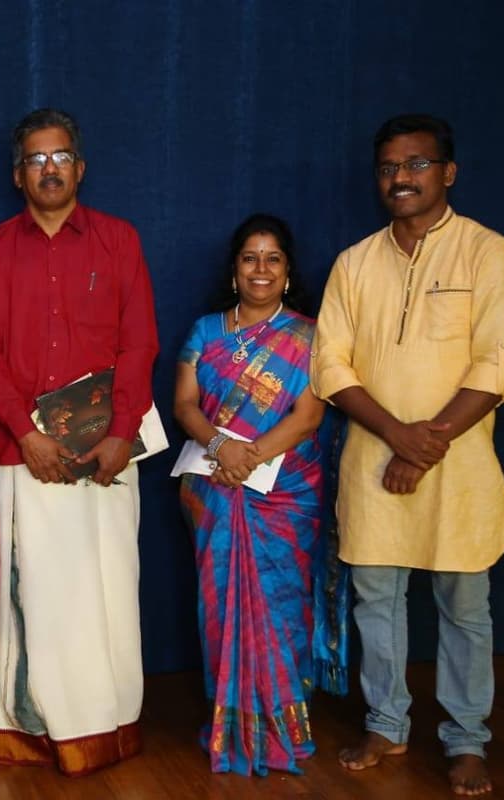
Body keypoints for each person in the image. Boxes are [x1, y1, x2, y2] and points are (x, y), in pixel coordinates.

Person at [311, 114, 504, 796]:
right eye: (388, 168)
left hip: (458, 467)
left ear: (448, 172)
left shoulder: (488, 253)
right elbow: (330, 365)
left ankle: (466, 741)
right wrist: (396, 436)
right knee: (376, 600)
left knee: (465, 604)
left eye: (416, 164)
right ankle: (387, 724)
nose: (400, 178)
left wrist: (424, 442)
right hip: (374, 461)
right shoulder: (354, 262)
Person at [0, 108, 159, 775]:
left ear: (79, 165)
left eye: (60, 156)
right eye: (35, 159)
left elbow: (140, 343)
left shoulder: (118, 240)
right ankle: (34, 727)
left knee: (106, 591)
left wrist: (121, 433)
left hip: (106, 455)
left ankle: (106, 725)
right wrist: (26, 433)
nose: (49, 168)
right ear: (17, 173)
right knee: (39, 599)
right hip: (24, 459)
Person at [172, 214, 349, 776]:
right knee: (221, 607)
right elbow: (183, 405)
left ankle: (281, 727)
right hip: (215, 489)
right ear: (234, 269)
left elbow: (309, 415)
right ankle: (233, 722)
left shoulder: (309, 336)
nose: (261, 269)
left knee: (281, 603)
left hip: (286, 489)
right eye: (250, 258)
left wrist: (248, 456)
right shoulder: (205, 332)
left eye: (272, 258)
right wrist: (223, 447)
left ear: (288, 271)